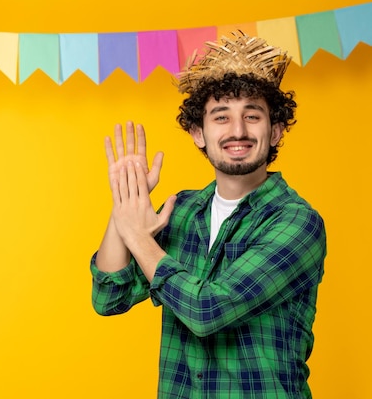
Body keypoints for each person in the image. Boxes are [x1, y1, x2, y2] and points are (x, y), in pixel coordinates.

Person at [90, 32, 327, 399]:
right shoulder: (181, 211)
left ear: (276, 131)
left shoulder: (296, 222)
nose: (238, 131)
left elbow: (208, 310)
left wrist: (136, 236)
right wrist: (125, 200)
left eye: (252, 116)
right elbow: (109, 297)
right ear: (198, 133)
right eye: (221, 117)